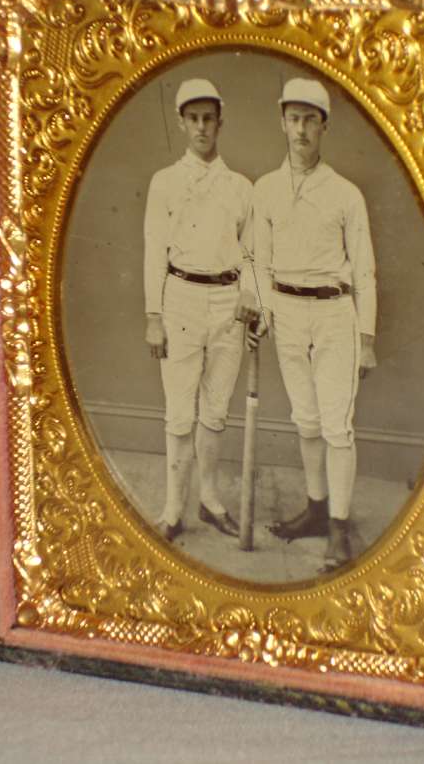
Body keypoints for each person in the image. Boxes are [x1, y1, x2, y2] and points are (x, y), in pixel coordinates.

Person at [249, 77, 377, 569]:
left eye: (310, 120)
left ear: (324, 126)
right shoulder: (266, 189)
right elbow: (259, 260)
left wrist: (365, 338)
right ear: (282, 122)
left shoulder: (345, 194)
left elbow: (364, 268)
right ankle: (317, 510)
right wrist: (261, 308)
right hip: (286, 314)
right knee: (305, 422)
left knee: (336, 427)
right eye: (293, 118)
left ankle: (339, 532)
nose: (300, 129)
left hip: (333, 315)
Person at [144, 78, 257, 541]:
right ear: (182, 123)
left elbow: (251, 255)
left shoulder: (240, 187)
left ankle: (209, 501)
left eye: (209, 118)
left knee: (215, 412)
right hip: (181, 301)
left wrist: (253, 302)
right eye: (193, 118)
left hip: (228, 305)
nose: (201, 127)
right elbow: (154, 251)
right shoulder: (165, 183)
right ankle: (173, 510)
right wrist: (154, 315)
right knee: (179, 413)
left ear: (220, 123)